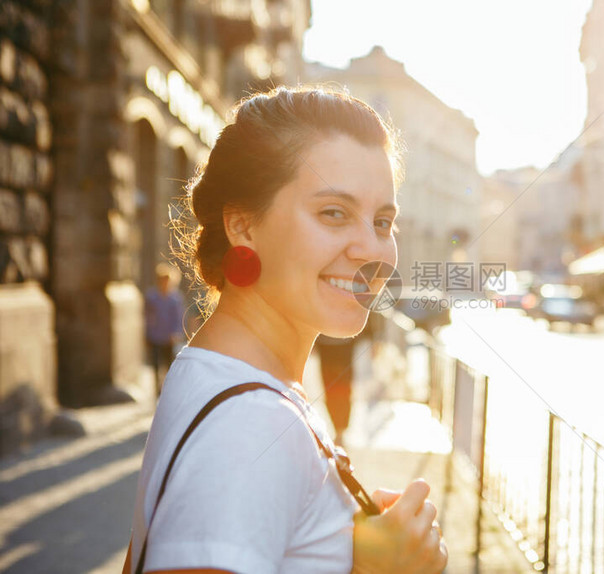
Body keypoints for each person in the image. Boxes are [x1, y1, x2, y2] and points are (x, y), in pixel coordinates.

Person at [124, 87, 447, 574]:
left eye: (383, 221)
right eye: (333, 213)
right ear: (243, 227)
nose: (372, 250)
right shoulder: (253, 423)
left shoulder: (218, 373)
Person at [144, 263, 185, 396]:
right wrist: (147, 334)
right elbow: (147, 317)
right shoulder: (152, 297)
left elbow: (178, 317)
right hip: (155, 336)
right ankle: (157, 389)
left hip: (169, 338)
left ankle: (167, 388)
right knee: (156, 365)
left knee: (168, 365)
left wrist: (176, 333)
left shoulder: (175, 298)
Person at [316, 333, 357, 447]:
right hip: (325, 344)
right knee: (330, 389)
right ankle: (337, 429)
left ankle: (340, 431)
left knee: (344, 388)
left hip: (345, 343)